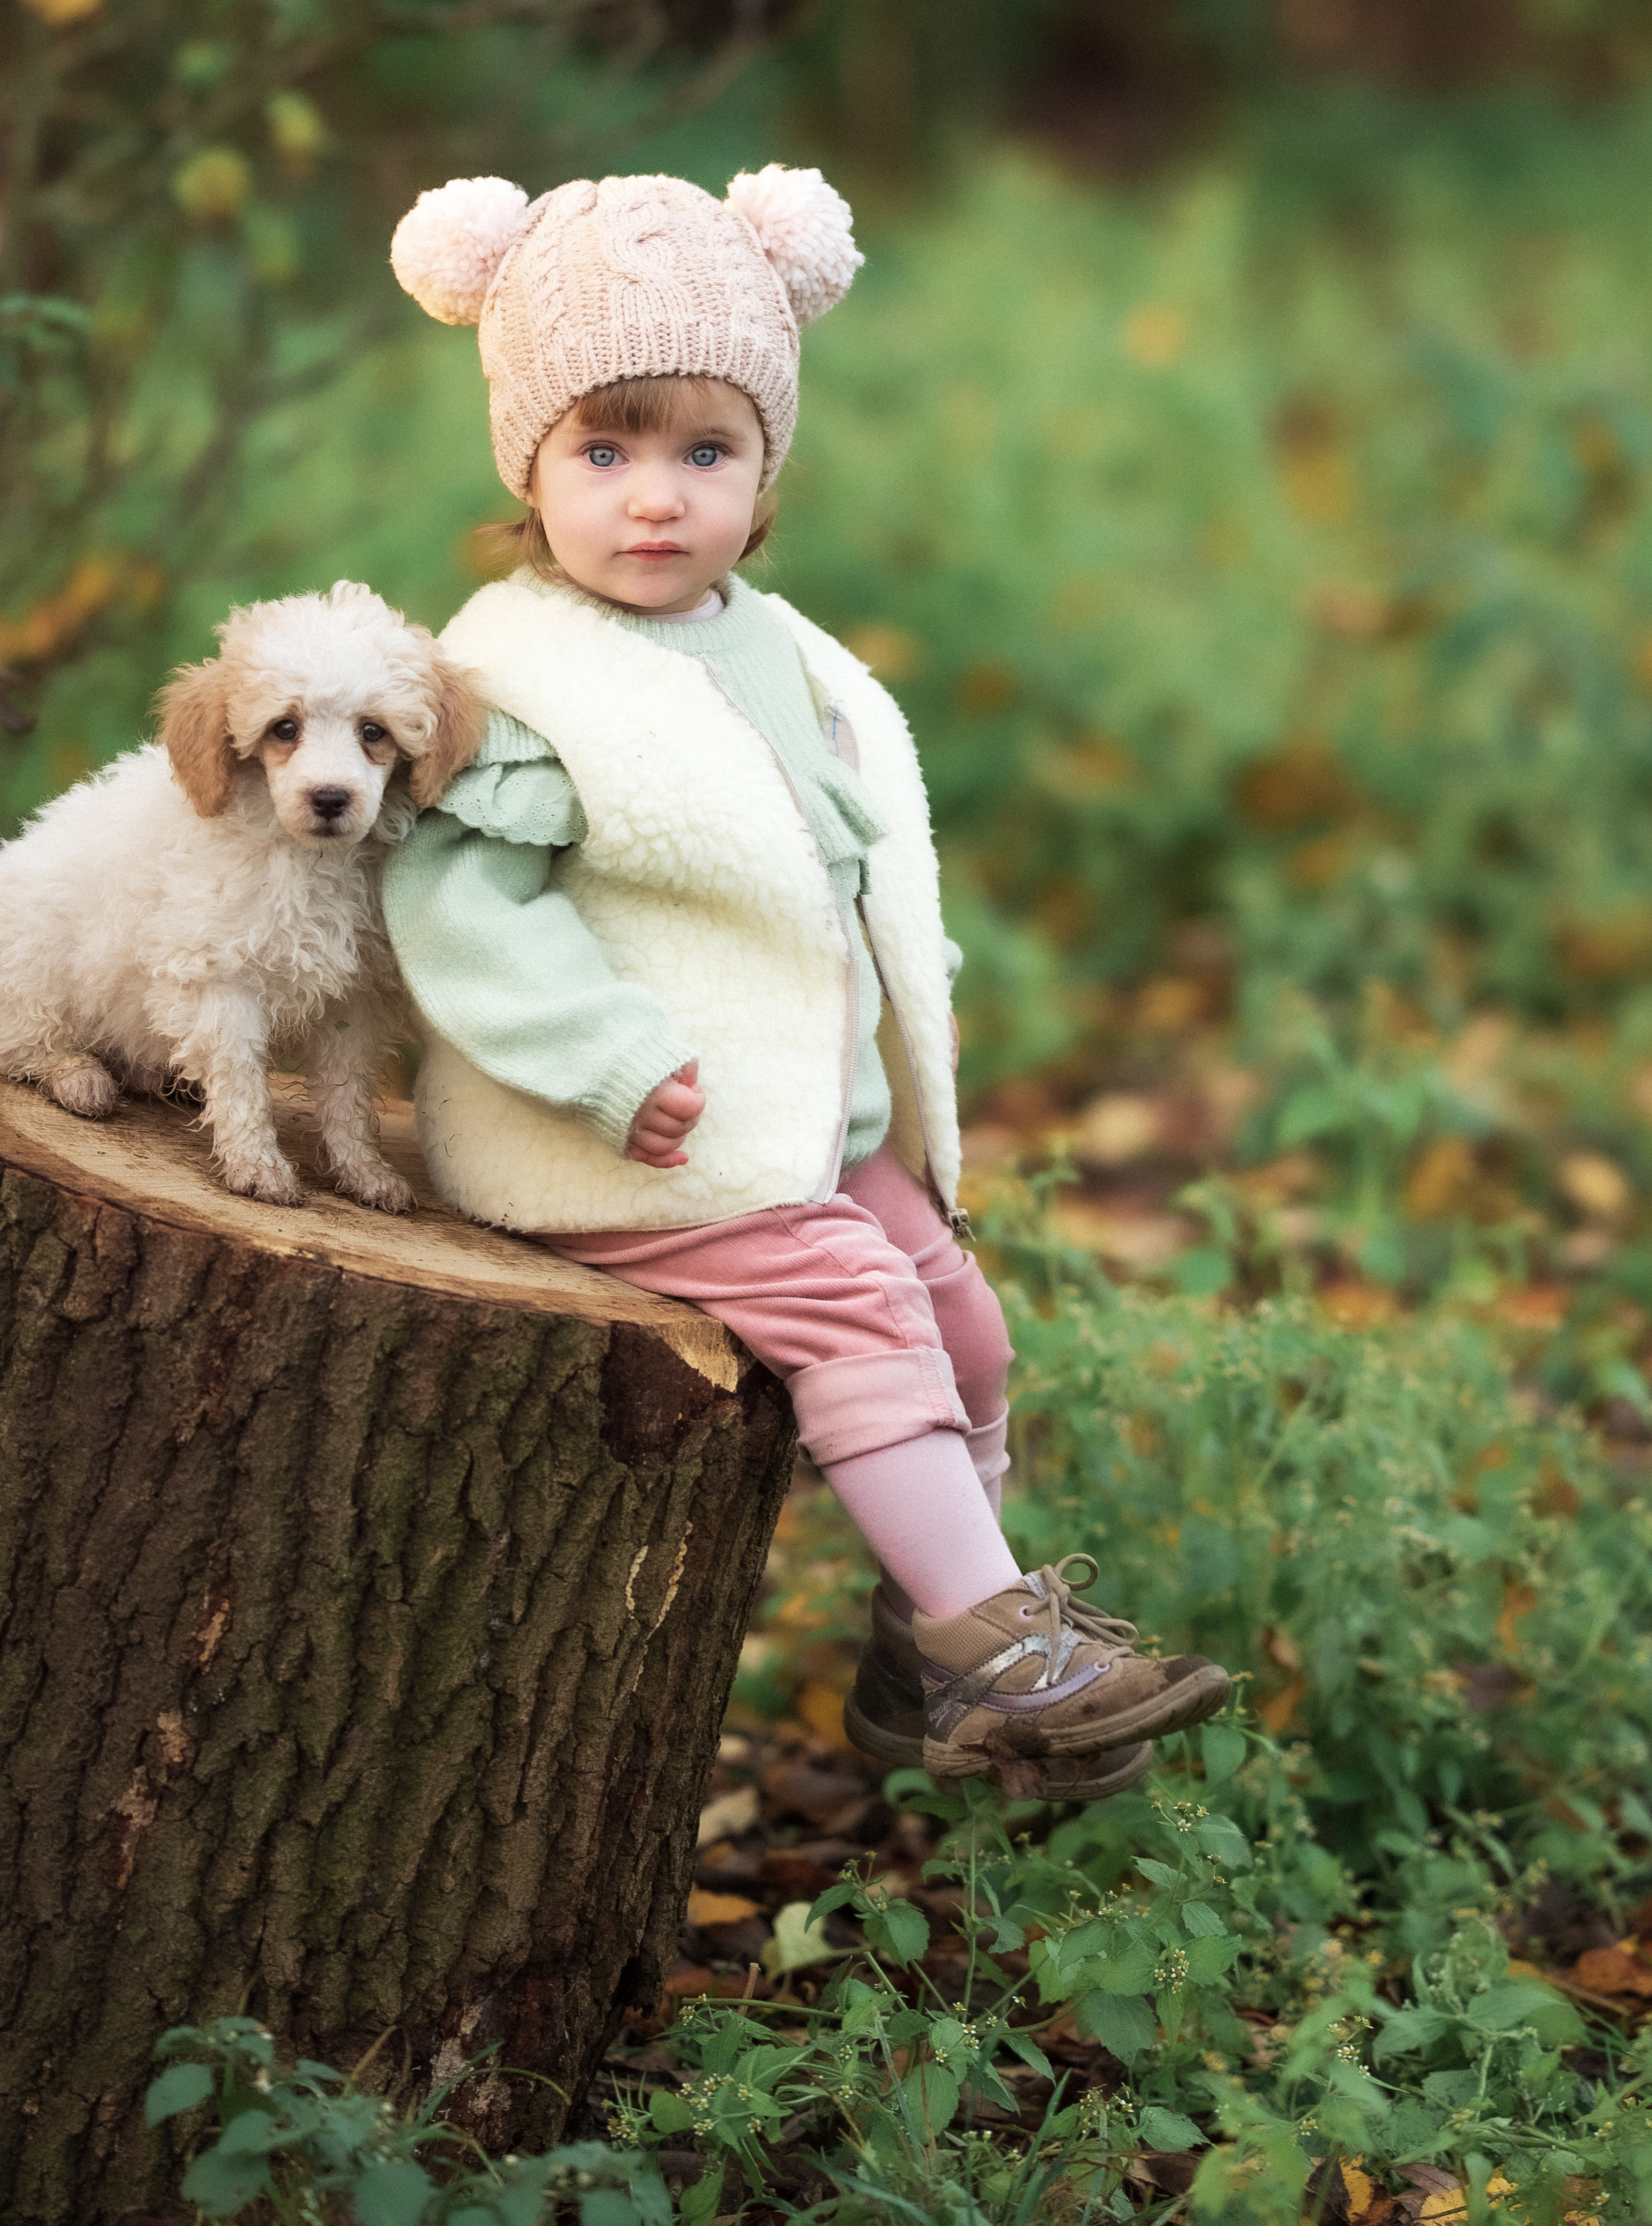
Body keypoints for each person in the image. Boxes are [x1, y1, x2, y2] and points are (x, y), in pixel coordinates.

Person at [381, 163, 1228, 1798]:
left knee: (963, 1329)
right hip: (625, 1136)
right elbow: (460, 902)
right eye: (604, 451)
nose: (653, 498)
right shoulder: (522, 680)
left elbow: (827, 859)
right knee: (855, 1310)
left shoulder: (768, 642)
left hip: (799, 1123)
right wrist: (600, 1056)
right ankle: (1001, 1648)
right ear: (529, 464)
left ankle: (929, 1663)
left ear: (763, 469)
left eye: (704, 453)